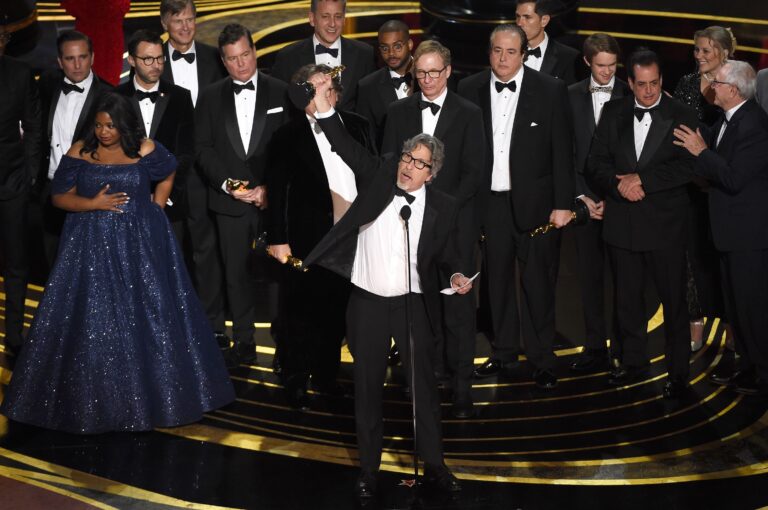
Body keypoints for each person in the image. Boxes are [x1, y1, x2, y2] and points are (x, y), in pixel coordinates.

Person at [0, 92, 235, 433]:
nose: (103, 131)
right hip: (89, 245)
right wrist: (92, 204)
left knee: (150, 316)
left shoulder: (145, 149)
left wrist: (156, 206)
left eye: (110, 125)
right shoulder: (80, 151)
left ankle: (158, 397)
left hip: (140, 244)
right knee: (93, 317)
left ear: (123, 124)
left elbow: (169, 172)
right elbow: (59, 197)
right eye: (98, 125)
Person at [305, 72, 470, 499]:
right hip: (368, 303)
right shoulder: (380, 175)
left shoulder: (445, 207)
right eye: (406, 158)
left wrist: (455, 275)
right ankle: (367, 471)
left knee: (423, 392)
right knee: (366, 389)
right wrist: (324, 107)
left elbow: (453, 255)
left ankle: (435, 466)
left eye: (419, 164)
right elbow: (345, 145)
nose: (408, 167)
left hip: (412, 305)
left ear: (431, 175)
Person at [458, 24, 573, 389]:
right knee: (498, 284)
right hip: (490, 204)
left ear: (524, 54)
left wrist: (562, 205)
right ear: (488, 52)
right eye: (496, 51)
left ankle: (542, 359)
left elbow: (562, 152)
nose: (503, 59)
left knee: (538, 284)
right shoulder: (469, 88)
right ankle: (504, 352)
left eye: (510, 52)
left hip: (537, 206)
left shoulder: (550, 89)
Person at [586, 48, 698, 399]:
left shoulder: (681, 114)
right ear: (630, 82)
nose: (649, 92)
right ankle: (632, 363)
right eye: (642, 84)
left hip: (665, 226)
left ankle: (678, 374)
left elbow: (688, 166)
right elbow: (595, 163)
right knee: (626, 301)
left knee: (673, 303)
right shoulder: (614, 111)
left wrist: (642, 181)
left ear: (661, 80)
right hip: (623, 223)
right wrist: (619, 184)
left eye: (654, 84)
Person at [382, 40, 485, 418]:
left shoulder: (469, 112)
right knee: (419, 309)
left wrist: (440, 207)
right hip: (409, 224)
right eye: (420, 72)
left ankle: (462, 389)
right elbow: (389, 162)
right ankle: (425, 381)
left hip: (455, 225)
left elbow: (476, 170)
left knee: (458, 309)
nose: (426, 79)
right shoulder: (397, 112)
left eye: (434, 72)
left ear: (448, 71)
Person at [265, 64, 375, 410]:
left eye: (324, 89)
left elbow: (373, 181)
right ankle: (295, 378)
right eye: (310, 90)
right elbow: (278, 193)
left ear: (337, 94)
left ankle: (327, 377)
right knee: (298, 312)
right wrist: (278, 240)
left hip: (354, 239)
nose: (318, 97)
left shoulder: (358, 126)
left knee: (336, 312)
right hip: (306, 242)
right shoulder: (286, 136)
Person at [195, 24, 289, 366]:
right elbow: (202, 148)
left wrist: (269, 189)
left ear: (254, 50)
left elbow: (289, 148)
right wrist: (229, 185)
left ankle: (283, 345)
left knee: (280, 276)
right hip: (228, 203)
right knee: (235, 275)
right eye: (233, 59)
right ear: (223, 60)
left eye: (246, 54)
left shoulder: (281, 91)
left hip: (273, 202)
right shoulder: (209, 96)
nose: (242, 64)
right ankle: (244, 341)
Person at [673, 60, 768, 397]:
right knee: (735, 305)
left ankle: (761, 370)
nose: (711, 85)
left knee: (752, 306)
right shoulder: (730, 119)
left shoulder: (755, 125)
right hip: (730, 233)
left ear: (732, 90)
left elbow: (733, 178)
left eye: (717, 81)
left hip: (748, 237)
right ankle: (747, 364)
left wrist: (701, 152)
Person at [160, 0, 229, 348]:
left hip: (205, 172)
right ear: (165, 22)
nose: (186, 27)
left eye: (191, 20)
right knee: (169, 251)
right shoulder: (152, 58)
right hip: (166, 173)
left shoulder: (214, 58)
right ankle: (171, 325)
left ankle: (212, 324)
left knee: (206, 250)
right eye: (178, 21)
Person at [567, 33, 630, 372]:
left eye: (613, 66)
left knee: (624, 280)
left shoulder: (630, 94)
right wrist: (583, 198)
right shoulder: (569, 96)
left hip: (621, 201)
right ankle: (594, 348)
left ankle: (622, 347)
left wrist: (612, 195)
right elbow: (566, 153)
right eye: (601, 66)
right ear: (587, 62)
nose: (608, 73)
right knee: (589, 280)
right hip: (584, 203)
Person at [673, 26, 737, 352]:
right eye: (696, 49)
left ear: (724, 53)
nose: (699, 56)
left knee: (724, 259)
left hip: (724, 187)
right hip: (688, 185)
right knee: (690, 255)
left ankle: (731, 326)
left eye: (706, 51)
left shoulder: (736, 84)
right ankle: (694, 324)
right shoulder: (685, 83)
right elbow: (676, 132)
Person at [38, 30, 112, 269]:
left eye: (83, 57)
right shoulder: (47, 86)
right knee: (53, 267)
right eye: (70, 59)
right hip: (50, 191)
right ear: (60, 62)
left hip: (90, 193)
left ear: (92, 57)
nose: (77, 64)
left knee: (91, 269)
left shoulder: (109, 95)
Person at [117, 29, 195, 242]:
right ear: (131, 60)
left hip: (170, 207)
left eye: (160, 58)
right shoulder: (115, 98)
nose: (156, 65)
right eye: (148, 59)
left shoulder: (181, 97)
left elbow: (186, 152)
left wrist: (165, 195)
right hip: (124, 205)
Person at [0, 20, 41, 363]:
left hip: (12, 181)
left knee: (16, 264)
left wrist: (29, 175)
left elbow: (33, 124)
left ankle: (14, 334)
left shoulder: (19, 72)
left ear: (5, 40)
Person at [270, 0, 375, 111]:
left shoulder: (364, 54)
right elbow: (278, 105)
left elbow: (370, 104)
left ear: (344, 19)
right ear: (312, 18)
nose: (332, 24)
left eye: (338, 16)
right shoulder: (288, 57)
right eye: (325, 16)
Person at [355, 19, 415, 149]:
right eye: (385, 48)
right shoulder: (367, 87)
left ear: (409, 44)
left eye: (397, 46)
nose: (391, 53)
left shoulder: (431, 75)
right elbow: (366, 139)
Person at [515, 0, 578, 84]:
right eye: (518, 16)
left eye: (527, 17)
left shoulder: (569, 57)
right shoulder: (504, 51)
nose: (519, 23)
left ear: (544, 20)